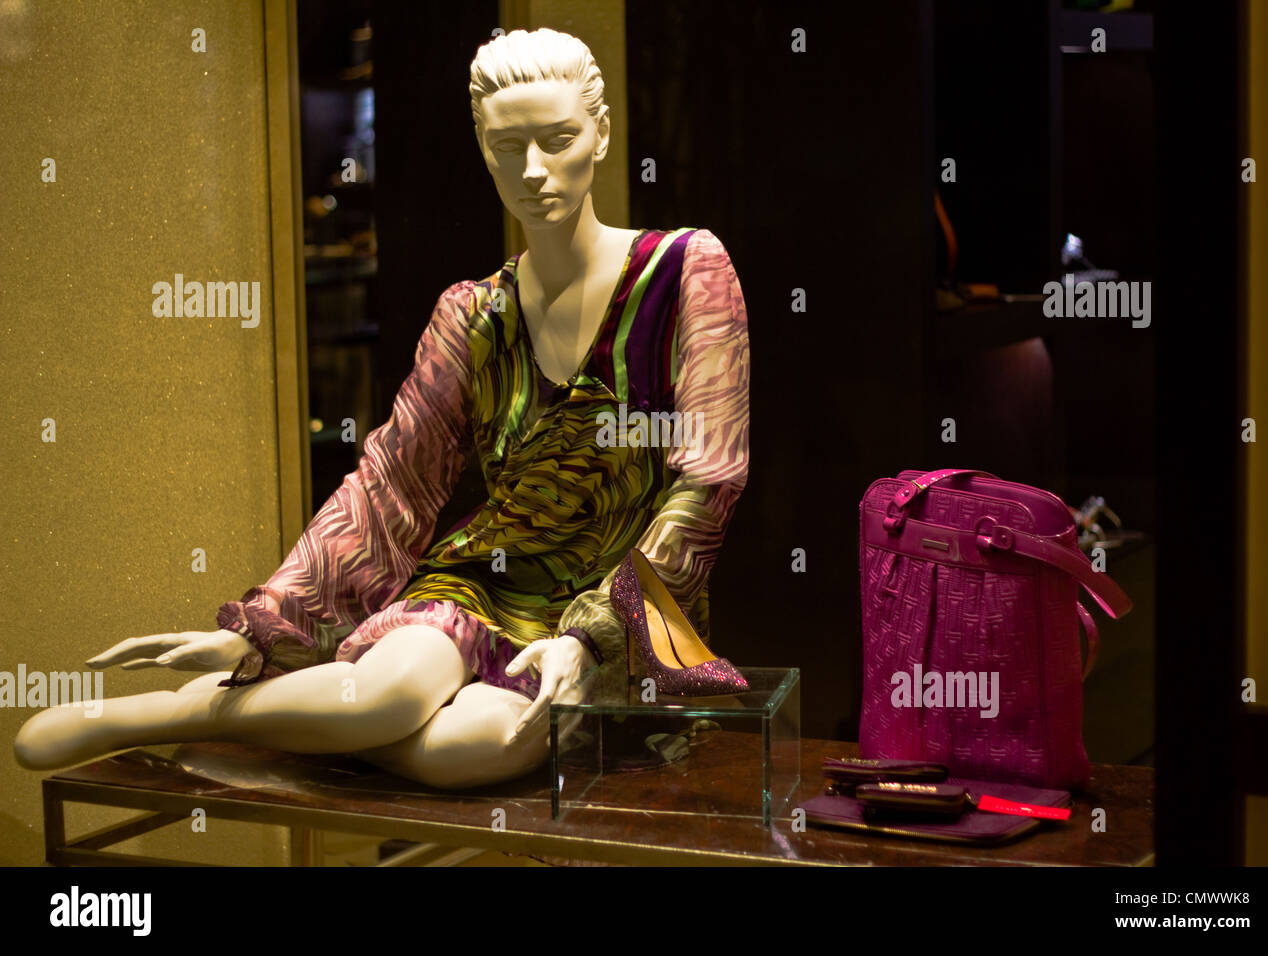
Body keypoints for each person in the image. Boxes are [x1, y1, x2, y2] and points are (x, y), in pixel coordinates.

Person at [14, 27, 750, 789]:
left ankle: (236, 722)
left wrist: (594, 636)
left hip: (617, 608)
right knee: (392, 692)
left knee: (476, 748)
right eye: (506, 147)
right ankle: (173, 712)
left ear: (598, 133)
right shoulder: (472, 314)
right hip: (481, 583)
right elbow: (392, 481)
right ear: (481, 146)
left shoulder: (687, 271)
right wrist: (268, 627)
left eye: (557, 138)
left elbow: (710, 478)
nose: (533, 171)